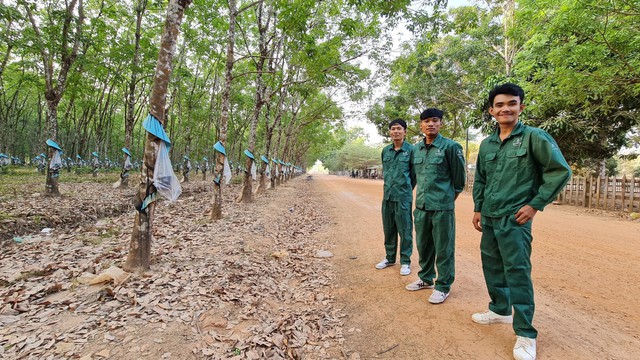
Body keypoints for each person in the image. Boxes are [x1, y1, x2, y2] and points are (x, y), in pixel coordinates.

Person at [471, 83, 571, 360]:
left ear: (521, 107)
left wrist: (535, 205)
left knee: (517, 271)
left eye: (511, 104)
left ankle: (526, 333)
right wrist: (478, 208)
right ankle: (500, 310)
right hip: (489, 217)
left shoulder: (534, 137)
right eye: (500, 105)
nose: (506, 109)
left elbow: (559, 171)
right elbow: (481, 178)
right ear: (491, 110)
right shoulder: (487, 144)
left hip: (515, 219)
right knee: (491, 265)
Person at [405, 108, 466, 304]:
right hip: (421, 207)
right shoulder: (416, 149)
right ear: (420, 125)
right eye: (426, 121)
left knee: (444, 248)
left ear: (440, 124)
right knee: (423, 245)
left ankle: (443, 286)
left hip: (442, 208)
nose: (430, 124)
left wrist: (446, 200)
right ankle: (425, 278)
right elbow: (416, 177)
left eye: (435, 120)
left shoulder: (451, 147)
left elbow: (459, 181)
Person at [376, 118, 415, 276]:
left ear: (405, 131)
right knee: (389, 228)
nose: (396, 131)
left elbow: (414, 174)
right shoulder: (385, 151)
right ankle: (389, 257)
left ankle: (405, 261)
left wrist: (406, 188)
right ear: (390, 132)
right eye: (393, 129)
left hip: (403, 197)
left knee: (405, 230)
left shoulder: (411, 150)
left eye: (399, 128)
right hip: (388, 196)